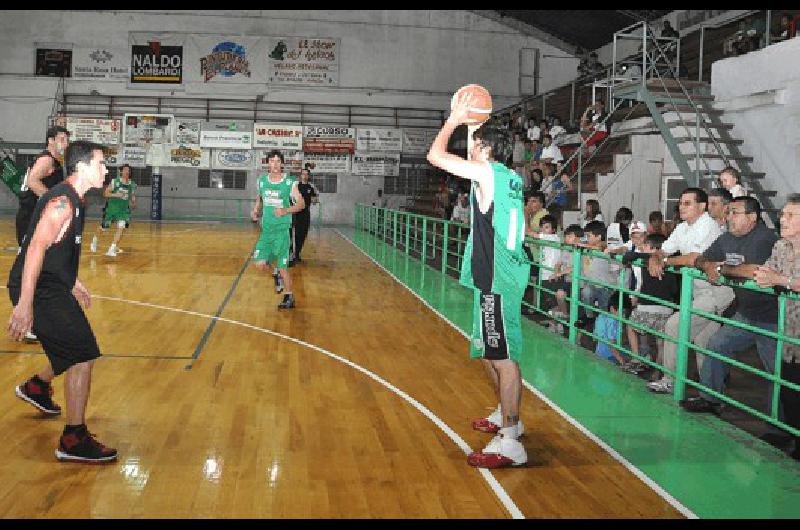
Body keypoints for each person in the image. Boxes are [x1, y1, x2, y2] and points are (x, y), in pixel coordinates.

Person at [427, 91, 530, 468]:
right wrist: (474, 122)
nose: (471, 149)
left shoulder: (486, 172)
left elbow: (436, 157)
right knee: (490, 350)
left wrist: (454, 119)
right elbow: (475, 153)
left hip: (499, 279)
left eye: (475, 144)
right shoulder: (506, 176)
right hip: (503, 272)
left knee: (503, 358)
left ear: (485, 150)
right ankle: (506, 413)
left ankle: (512, 437)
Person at [8, 141, 117, 463]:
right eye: (101, 163)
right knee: (82, 354)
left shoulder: (76, 200)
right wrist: (25, 304)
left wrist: (72, 281)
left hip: (53, 285)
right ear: (81, 167)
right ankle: (73, 438)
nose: (106, 169)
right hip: (39, 290)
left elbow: (56, 249)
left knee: (75, 349)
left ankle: (37, 388)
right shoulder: (62, 202)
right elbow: (35, 250)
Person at [683, 196, 781, 419]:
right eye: (728, 213)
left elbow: (753, 270)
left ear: (752, 217)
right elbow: (702, 259)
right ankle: (710, 399)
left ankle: (784, 427)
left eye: (735, 213)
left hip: (773, 319)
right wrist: (709, 265)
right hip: (746, 313)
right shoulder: (726, 239)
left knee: (778, 374)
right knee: (717, 344)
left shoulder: (764, 238)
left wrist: (721, 269)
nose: (728, 218)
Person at [646, 188, 735, 394]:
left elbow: (694, 259)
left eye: (688, 203)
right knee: (705, 341)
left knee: (675, 326)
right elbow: (663, 249)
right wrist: (654, 258)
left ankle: (670, 379)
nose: (681, 206)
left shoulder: (707, 226)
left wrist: (664, 262)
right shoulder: (683, 227)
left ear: (702, 207)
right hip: (699, 291)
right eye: (681, 203)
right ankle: (710, 392)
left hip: (716, 291)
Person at [754, 194, 800, 460]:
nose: (783, 219)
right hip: (790, 333)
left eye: (791, 216)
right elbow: (765, 271)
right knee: (790, 393)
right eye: (783, 215)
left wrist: (779, 279)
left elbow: (777, 277)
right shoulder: (781, 247)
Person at [15, 126, 69, 342]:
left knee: (42, 271)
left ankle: (35, 319)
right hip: (30, 221)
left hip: (36, 221)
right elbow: (32, 181)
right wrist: (53, 202)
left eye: (67, 139)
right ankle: (25, 322)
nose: (65, 143)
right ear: (50, 141)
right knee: (31, 271)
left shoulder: (55, 162)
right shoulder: (47, 160)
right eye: (62, 139)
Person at [251, 150, 305, 309]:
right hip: (266, 232)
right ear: (267, 163)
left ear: (282, 163)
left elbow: (301, 204)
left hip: (282, 232)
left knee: (283, 268)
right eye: (271, 161)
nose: (274, 164)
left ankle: (289, 297)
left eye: (277, 161)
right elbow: (260, 197)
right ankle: (274, 272)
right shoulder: (261, 181)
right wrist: (255, 210)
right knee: (259, 264)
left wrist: (285, 211)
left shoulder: (289, 183)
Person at [621, 233, 679, 376]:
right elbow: (674, 290)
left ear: (653, 248)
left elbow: (628, 256)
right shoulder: (669, 264)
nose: (642, 248)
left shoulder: (646, 260)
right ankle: (657, 372)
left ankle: (636, 359)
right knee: (661, 343)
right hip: (666, 309)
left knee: (630, 326)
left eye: (645, 245)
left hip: (646, 307)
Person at [90, 164, 136, 257]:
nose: (127, 172)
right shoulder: (115, 181)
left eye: (128, 170)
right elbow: (106, 193)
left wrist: (133, 202)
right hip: (112, 209)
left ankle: (111, 249)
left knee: (121, 227)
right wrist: (116, 195)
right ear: (121, 171)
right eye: (125, 170)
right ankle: (95, 239)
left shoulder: (132, 184)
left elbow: (132, 195)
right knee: (104, 228)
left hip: (123, 210)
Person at [290, 167, 318, 265]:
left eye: (307, 174)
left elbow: (314, 201)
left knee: (302, 234)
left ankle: (297, 254)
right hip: (295, 213)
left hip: (305, 214)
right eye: (303, 174)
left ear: (308, 176)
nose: (305, 176)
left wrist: (316, 196)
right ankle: (291, 254)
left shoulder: (311, 187)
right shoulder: (296, 186)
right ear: (300, 175)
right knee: (292, 234)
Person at [594, 297, 628, 366]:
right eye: (622, 312)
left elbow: (594, 337)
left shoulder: (601, 316)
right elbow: (611, 345)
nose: (624, 316)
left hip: (599, 353)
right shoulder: (613, 321)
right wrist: (622, 361)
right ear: (612, 309)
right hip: (609, 356)